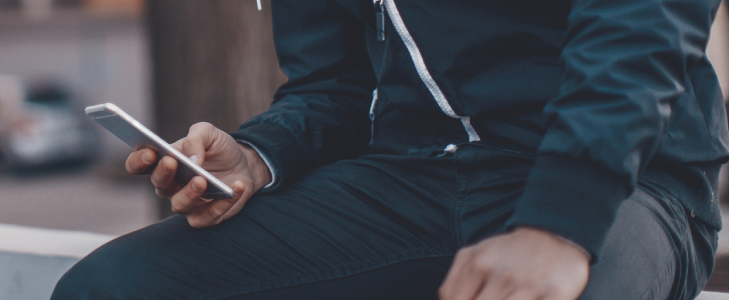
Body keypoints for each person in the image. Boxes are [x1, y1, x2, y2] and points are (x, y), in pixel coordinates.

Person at [52, 0, 728, 298]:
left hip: (624, 185)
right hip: (417, 179)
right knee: (109, 289)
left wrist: (558, 224)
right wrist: (259, 154)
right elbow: (335, 85)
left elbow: (640, 32)